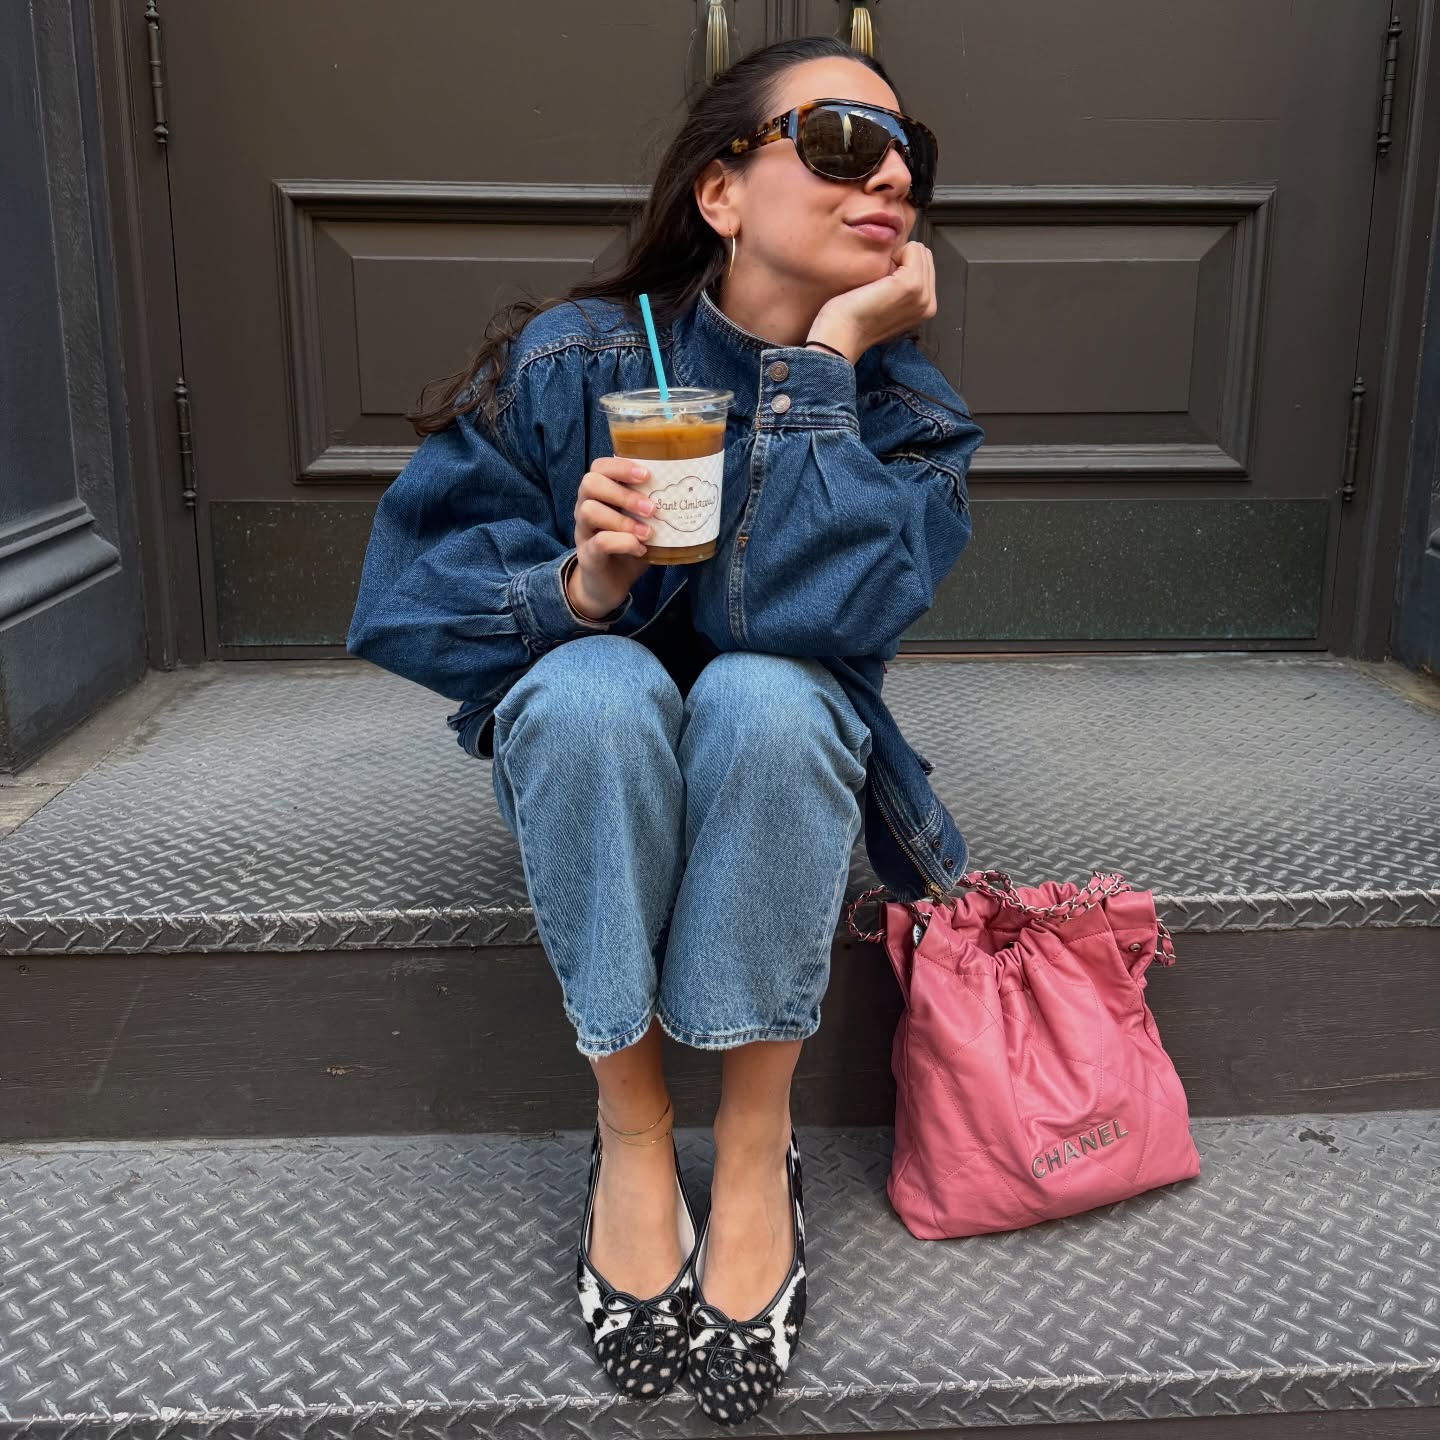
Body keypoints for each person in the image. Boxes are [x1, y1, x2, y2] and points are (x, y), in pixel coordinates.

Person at [347, 34, 983, 1425]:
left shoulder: (909, 415)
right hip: (600, 750)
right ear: (719, 194)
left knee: (762, 695)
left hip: (779, 749)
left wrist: (825, 362)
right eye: (832, 141)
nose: (886, 174)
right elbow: (403, 604)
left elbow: (807, 615)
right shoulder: (574, 362)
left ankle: (754, 1142)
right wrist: (577, 589)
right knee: (590, 689)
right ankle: (633, 1130)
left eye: (907, 157)